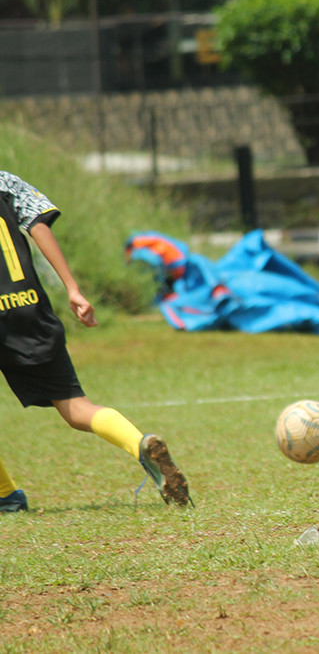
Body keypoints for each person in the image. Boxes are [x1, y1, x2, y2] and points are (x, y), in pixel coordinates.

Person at [0, 171, 190, 512]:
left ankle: (6, 496)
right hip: (28, 307)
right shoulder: (6, 182)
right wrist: (72, 288)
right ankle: (139, 443)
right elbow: (38, 225)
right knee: (77, 408)